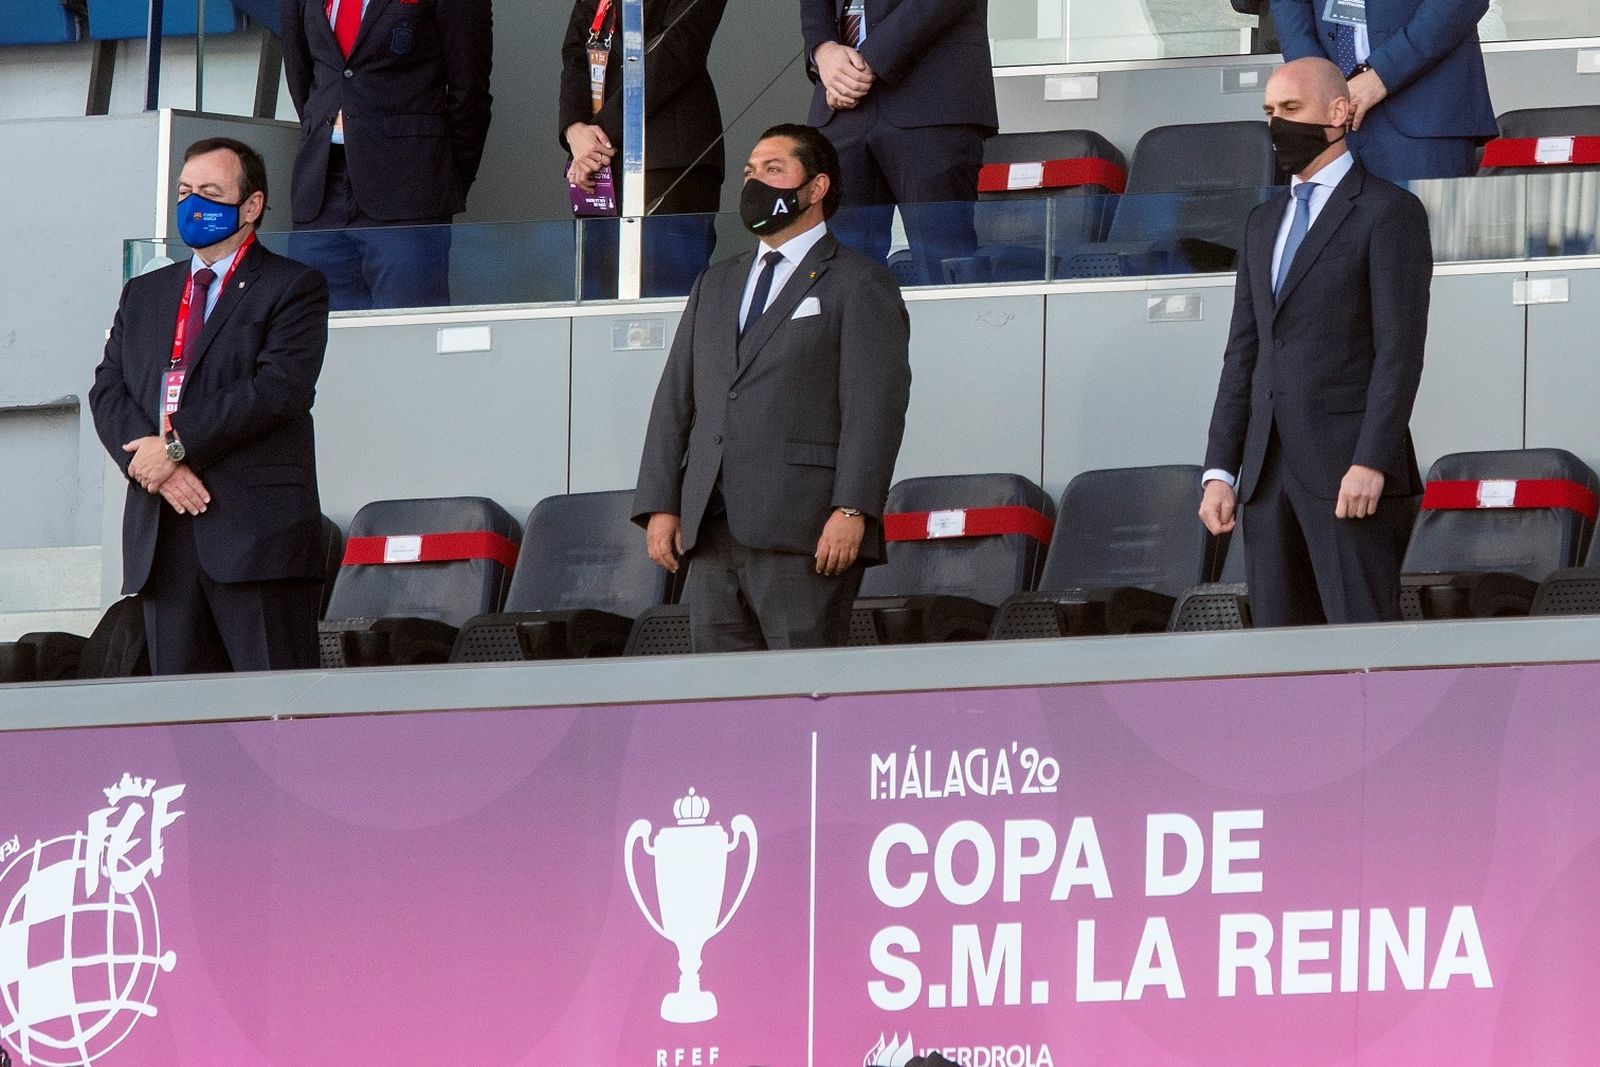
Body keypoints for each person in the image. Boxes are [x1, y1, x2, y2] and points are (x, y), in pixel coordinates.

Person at [633, 124, 912, 651]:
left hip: (805, 531)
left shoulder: (858, 281)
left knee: (799, 698)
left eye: (773, 169)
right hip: (711, 529)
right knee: (725, 704)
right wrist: (661, 504)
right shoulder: (715, 282)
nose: (755, 182)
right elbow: (675, 399)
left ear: (817, 187)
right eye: (749, 172)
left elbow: (874, 406)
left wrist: (853, 509)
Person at [1199, 59, 1431, 627]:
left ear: (1339, 112)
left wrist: (1371, 460)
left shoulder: (1389, 212)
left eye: (1291, 110)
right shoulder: (1262, 222)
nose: (1277, 124)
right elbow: (1244, 354)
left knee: (1361, 645)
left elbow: (1399, 352)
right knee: (1283, 661)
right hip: (1263, 477)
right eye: (1270, 112)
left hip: (1348, 476)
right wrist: (1220, 471)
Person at [89, 138, 331, 674]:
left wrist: (174, 447)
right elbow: (108, 390)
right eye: (185, 191)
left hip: (256, 542)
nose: (193, 204)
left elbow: (279, 389)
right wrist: (154, 469)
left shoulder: (294, 287)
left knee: (272, 720)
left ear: (251, 206)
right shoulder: (144, 293)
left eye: (210, 192)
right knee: (184, 730)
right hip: (163, 540)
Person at [281, 0, 493, 310]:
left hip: (408, 188)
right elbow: (301, 76)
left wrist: (442, 180)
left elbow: (469, 93)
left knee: (408, 338)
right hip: (322, 189)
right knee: (320, 338)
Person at [800, 0, 997, 285]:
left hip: (931, 97)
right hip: (840, 108)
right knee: (840, 280)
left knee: (943, 271)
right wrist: (822, 49)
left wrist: (867, 60)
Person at [560, 0, 729, 298]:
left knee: (661, 298)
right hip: (596, 158)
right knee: (598, 298)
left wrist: (598, 137)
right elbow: (576, 49)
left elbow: (677, 50)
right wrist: (574, 128)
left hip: (665, 156)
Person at [1271, 0, 1496, 181]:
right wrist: (1322, 84)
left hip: (1424, 110)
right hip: (1331, 117)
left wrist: (1382, 75)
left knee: (1419, 233)